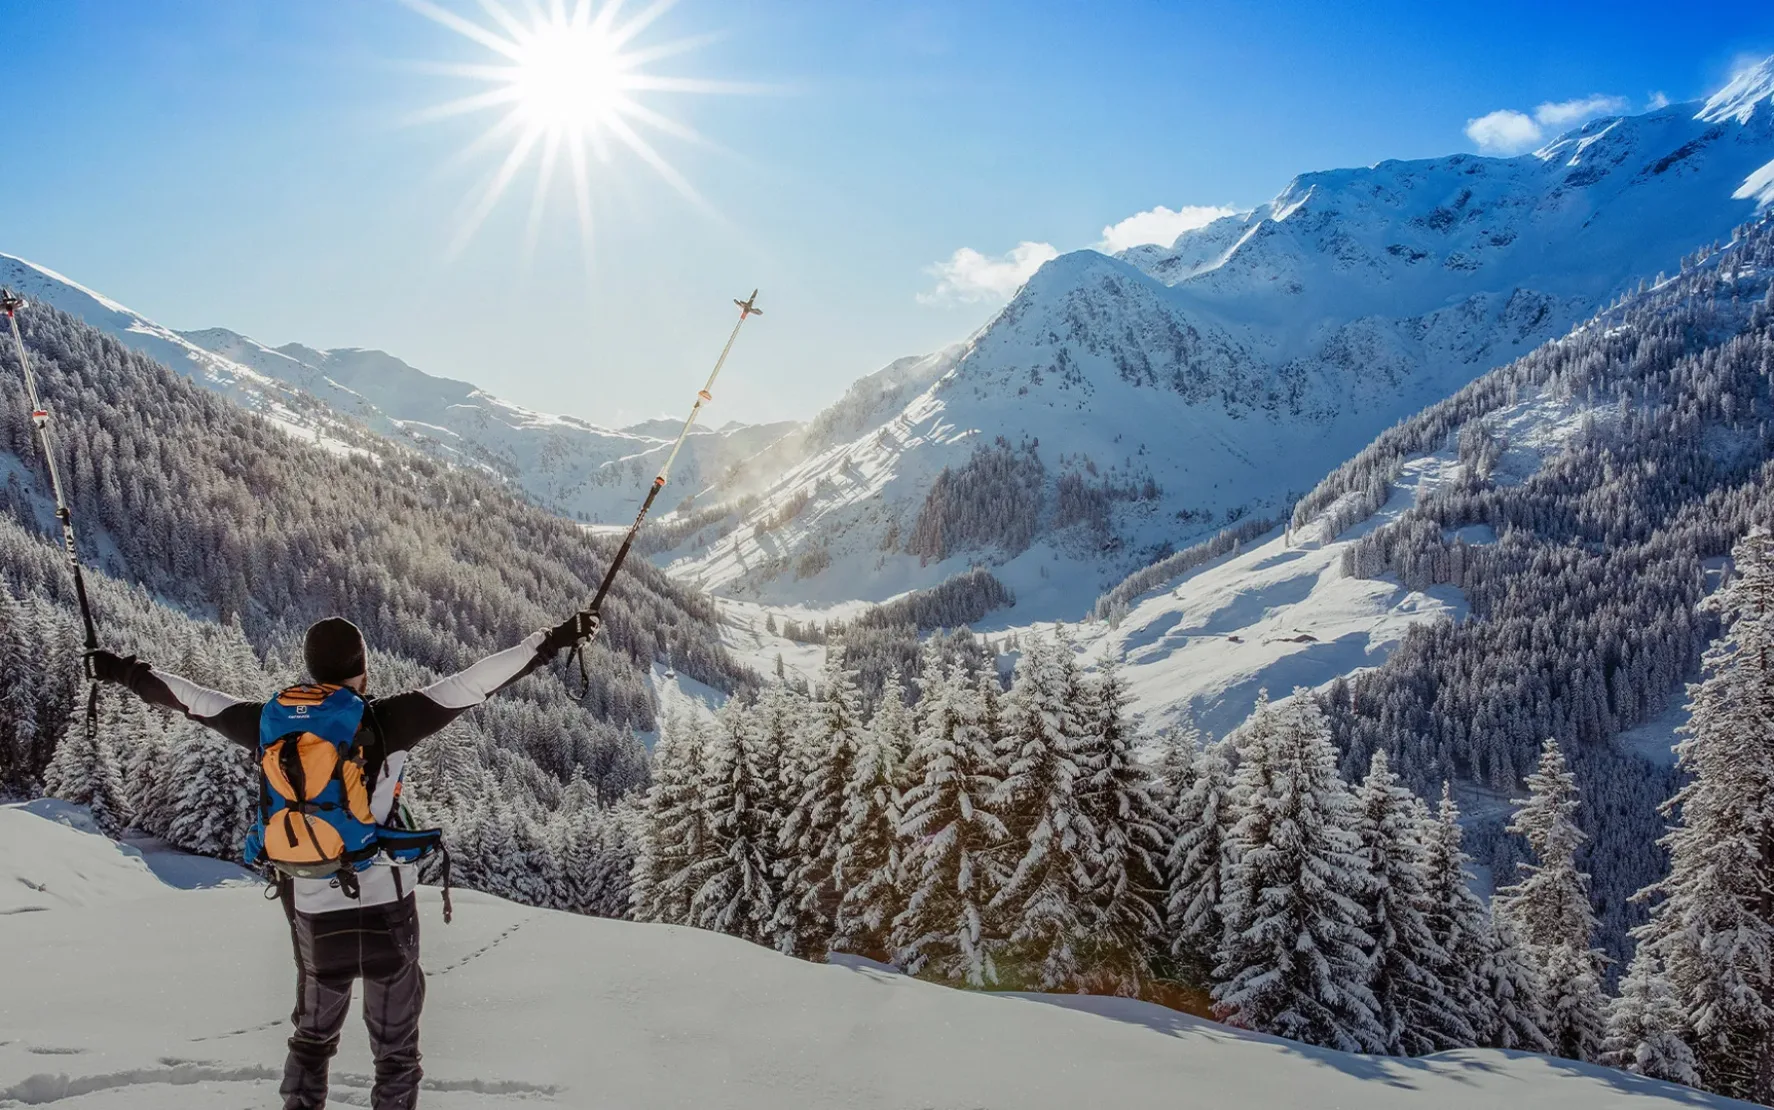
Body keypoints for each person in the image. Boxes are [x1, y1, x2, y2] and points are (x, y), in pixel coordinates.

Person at [85, 611, 597, 1110]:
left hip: (312, 914)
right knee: (395, 1055)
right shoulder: (386, 721)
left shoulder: (268, 723)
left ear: (312, 670)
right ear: (363, 667)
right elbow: (474, 682)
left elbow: (189, 698)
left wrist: (116, 669)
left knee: (311, 1042)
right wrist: (552, 640)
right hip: (387, 915)